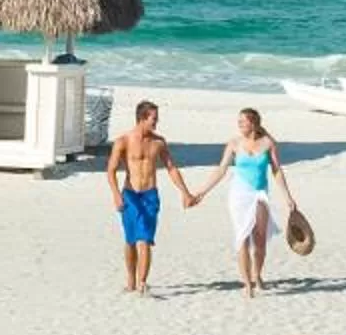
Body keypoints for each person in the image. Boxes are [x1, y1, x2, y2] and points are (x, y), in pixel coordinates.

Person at [191, 106, 297, 297]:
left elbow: (277, 171)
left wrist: (288, 197)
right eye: (238, 121)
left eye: (243, 122)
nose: (239, 125)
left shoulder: (268, 143)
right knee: (242, 237)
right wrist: (202, 192)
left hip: (260, 194)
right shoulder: (234, 143)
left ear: (254, 123)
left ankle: (257, 275)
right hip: (239, 195)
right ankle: (247, 283)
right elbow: (221, 169)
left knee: (260, 240)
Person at [104, 100, 192, 296]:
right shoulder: (123, 141)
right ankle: (131, 280)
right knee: (130, 241)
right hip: (130, 195)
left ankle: (142, 283)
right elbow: (110, 171)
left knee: (145, 239)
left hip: (150, 195)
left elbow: (171, 168)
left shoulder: (158, 142)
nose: (156, 123)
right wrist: (116, 195)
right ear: (142, 118)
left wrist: (185, 192)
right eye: (153, 119)